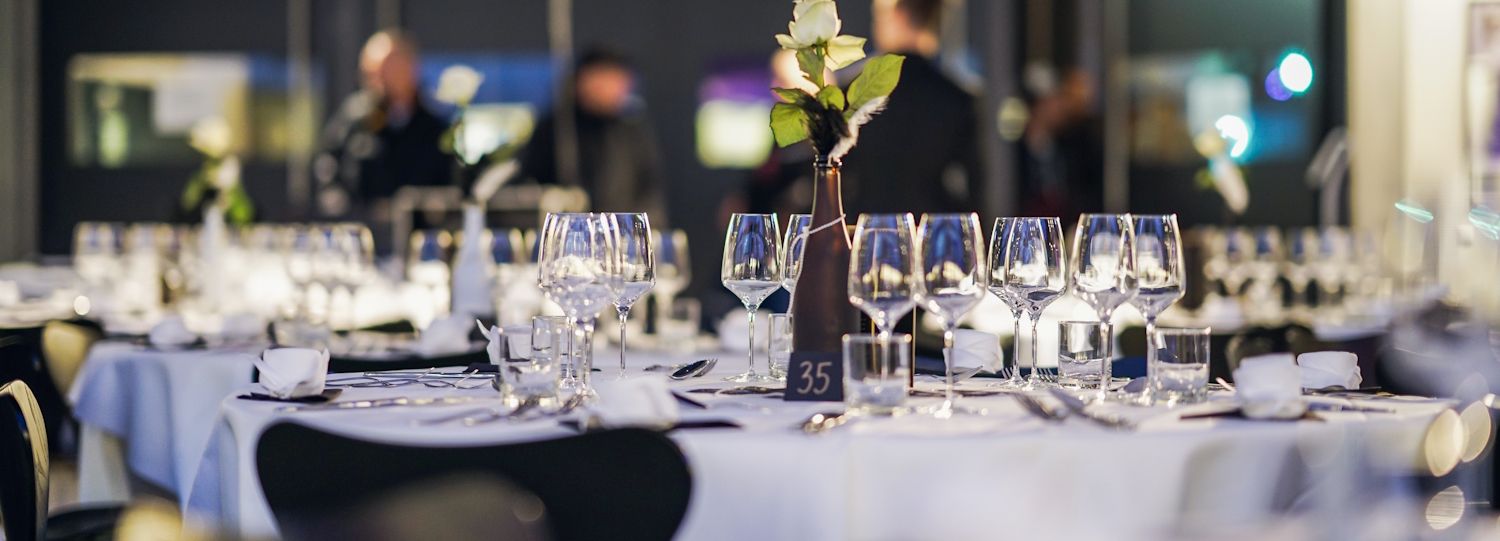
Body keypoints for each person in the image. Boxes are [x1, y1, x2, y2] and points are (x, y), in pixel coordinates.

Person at [839, 0, 983, 216]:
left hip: (865, 233)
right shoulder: (956, 97)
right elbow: (975, 183)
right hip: (932, 234)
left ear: (899, 16)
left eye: (879, 17)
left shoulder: (853, 91)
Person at [313, 30, 453, 223]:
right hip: (363, 232)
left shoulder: (435, 125)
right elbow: (329, 167)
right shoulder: (354, 118)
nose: (379, 80)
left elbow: (448, 185)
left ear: (411, 68)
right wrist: (339, 204)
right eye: (372, 72)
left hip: (419, 237)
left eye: (388, 69)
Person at [518, 48, 667, 222]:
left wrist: (638, 229)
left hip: (623, 237)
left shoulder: (632, 133)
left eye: (617, 79)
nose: (610, 86)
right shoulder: (554, 130)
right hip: (569, 237)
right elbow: (531, 184)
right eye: (602, 77)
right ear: (581, 80)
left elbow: (649, 189)